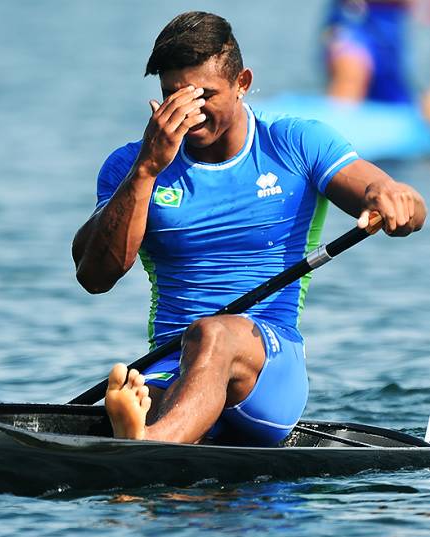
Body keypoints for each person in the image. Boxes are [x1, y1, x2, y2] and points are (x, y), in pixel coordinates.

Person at [71, 11, 426, 446]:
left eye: (204, 95)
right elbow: (94, 277)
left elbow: (375, 186)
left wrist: (395, 198)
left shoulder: (294, 143)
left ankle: (144, 446)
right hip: (172, 363)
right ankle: (150, 432)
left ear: (242, 83)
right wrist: (146, 170)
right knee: (159, 380)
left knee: (212, 334)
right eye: (173, 98)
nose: (191, 115)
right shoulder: (130, 166)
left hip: (268, 371)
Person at [324, 0, 417, 104]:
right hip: (351, 15)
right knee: (351, 72)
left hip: (391, 21)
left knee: (392, 98)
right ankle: (339, 116)